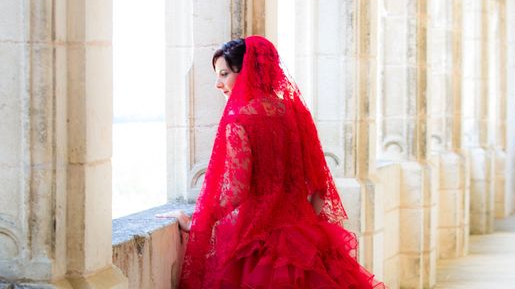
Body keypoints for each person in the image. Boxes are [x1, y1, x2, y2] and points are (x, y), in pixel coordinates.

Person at [158, 36, 385, 289]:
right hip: (306, 239)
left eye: (224, 74)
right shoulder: (294, 113)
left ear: (246, 73)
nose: (217, 84)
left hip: (259, 245)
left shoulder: (240, 120)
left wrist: (197, 221)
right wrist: (305, 229)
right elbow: (319, 185)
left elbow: (236, 192)